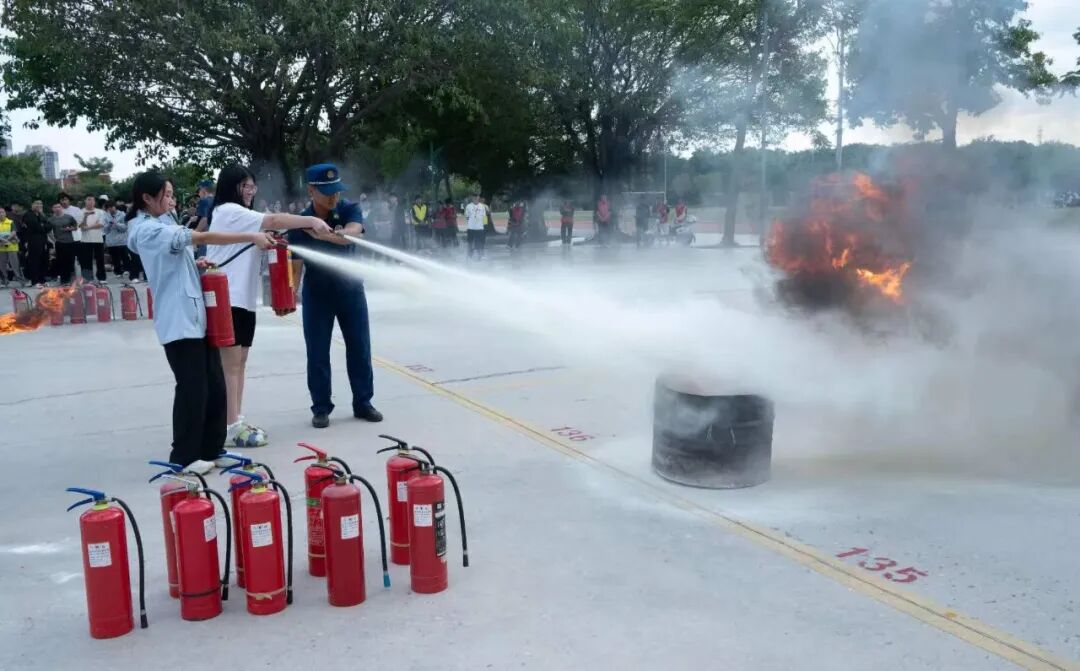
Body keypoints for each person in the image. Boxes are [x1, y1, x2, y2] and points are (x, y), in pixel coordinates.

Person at [126, 171, 278, 473]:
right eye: (167, 195)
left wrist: (195, 264)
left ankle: (212, 448)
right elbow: (202, 237)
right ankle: (183, 457)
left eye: (172, 195)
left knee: (215, 385)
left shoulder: (162, 224)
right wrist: (251, 236)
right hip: (178, 321)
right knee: (192, 388)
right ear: (147, 198)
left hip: (196, 317)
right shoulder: (147, 230)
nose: (172, 201)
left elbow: (173, 261)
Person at [205, 164, 334, 448]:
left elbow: (268, 227)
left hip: (242, 299)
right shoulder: (228, 211)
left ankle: (235, 420)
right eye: (245, 186)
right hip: (228, 298)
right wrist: (311, 220)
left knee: (239, 364)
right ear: (231, 187)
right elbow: (274, 219)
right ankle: (229, 426)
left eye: (253, 186)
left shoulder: (241, 217)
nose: (251, 191)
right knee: (230, 366)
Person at [286, 163, 382, 428]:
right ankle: (321, 407)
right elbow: (296, 263)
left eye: (337, 191)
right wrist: (290, 293)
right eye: (327, 192)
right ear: (311, 191)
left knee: (360, 348)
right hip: (317, 294)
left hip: (351, 290)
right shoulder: (301, 223)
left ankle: (363, 403)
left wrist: (326, 235)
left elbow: (352, 234)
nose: (334, 197)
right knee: (317, 352)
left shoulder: (350, 209)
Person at [20, 200, 50, 287]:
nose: (39, 205)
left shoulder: (41, 215)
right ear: (32, 205)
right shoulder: (28, 214)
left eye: (40, 204)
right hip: (33, 240)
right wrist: (43, 226)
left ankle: (42, 279)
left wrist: (43, 224)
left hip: (43, 240)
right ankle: (35, 280)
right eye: (37, 204)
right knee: (34, 260)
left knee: (43, 259)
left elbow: (49, 226)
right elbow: (35, 226)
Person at [48, 203, 79, 284]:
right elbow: (48, 231)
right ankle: (63, 280)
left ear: (61, 208)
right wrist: (54, 240)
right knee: (61, 261)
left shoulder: (69, 217)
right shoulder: (51, 219)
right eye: (55, 207)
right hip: (59, 243)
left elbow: (76, 227)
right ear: (53, 209)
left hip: (70, 242)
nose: (57, 208)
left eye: (59, 207)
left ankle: (72, 279)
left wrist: (70, 229)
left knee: (70, 261)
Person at [78, 195, 107, 281]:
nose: (90, 202)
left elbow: (101, 224)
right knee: (86, 260)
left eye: (93, 200)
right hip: (85, 239)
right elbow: (81, 226)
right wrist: (85, 217)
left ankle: (101, 277)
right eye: (89, 200)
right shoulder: (80, 212)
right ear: (85, 201)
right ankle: (88, 278)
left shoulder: (100, 212)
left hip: (98, 238)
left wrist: (88, 227)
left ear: (95, 202)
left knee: (100, 259)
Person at [103, 200, 132, 280]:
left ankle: (127, 269)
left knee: (124, 256)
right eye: (108, 208)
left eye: (111, 207)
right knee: (115, 258)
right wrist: (109, 224)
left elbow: (125, 228)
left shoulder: (122, 214)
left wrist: (116, 224)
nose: (110, 209)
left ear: (115, 207)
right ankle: (118, 272)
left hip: (121, 241)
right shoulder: (105, 216)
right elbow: (105, 230)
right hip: (111, 241)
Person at [0, 207, 24, 286]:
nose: (1, 214)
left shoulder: (10, 222)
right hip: (1, 247)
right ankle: (5, 281)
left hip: (12, 246)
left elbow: (14, 232)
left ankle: (21, 281)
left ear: (5, 213)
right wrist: (3, 240)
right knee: (2, 265)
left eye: (2, 212)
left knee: (15, 265)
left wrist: (7, 239)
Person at [464, 192, 487, 260]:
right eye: (474, 197)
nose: (476, 199)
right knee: (470, 242)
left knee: (480, 242)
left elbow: (484, 216)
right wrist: (471, 222)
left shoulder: (482, 206)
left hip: (480, 228)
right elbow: (467, 216)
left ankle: (481, 255)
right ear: (472, 198)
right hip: (471, 228)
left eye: (477, 197)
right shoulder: (468, 206)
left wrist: (485, 226)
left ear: (478, 198)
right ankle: (469, 255)